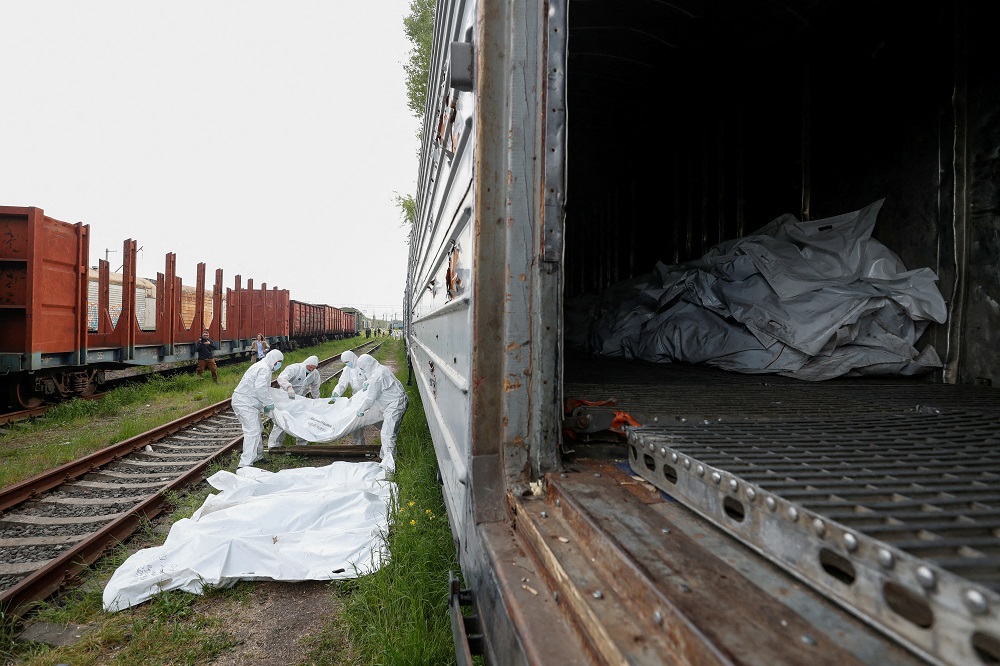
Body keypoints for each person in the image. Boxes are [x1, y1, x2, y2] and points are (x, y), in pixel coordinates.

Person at [354, 353, 408, 473]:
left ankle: (390, 468)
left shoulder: (378, 376)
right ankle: (386, 459)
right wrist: (368, 382)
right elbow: (374, 378)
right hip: (395, 403)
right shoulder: (379, 369)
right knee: (389, 434)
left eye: (362, 368)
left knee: (387, 435)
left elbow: (370, 398)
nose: (362, 371)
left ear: (367, 365)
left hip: (395, 405)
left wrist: (361, 410)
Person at [232, 349, 283, 468]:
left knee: (258, 428)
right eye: (278, 362)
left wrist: (263, 405)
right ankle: (245, 464)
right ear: (273, 359)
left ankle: (258, 456)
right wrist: (268, 403)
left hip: (249, 402)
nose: (278, 365)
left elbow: (257, 390)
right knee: (252, 431)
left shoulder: (263, 366)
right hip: (244, 402)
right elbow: (260, 389)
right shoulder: (264, 368)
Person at [268, 355, 321, 449]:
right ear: (306, 364)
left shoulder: (315, 374)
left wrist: (317, 400)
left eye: (314, 368)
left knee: (302, 421)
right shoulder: (294, 368)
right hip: (286, 398)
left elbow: (315, 388)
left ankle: (302, 445)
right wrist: (288, 387)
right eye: (310, 367)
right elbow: (281, 378)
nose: (311, 369)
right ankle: (274, 446)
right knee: (281, 422)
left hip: (300, 400)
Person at [329, 350, 365, 445]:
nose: (347, 364)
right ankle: (359, 446)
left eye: (348, 362)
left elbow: (372, 378)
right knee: (356, 422)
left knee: (376, 420)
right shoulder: (347, 370)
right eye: (345, 363)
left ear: (352, 358)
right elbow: (342, 383)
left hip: (369, 397)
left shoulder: (363, 366)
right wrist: (336, 393)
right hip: (357, 398)